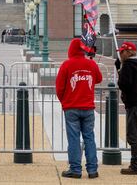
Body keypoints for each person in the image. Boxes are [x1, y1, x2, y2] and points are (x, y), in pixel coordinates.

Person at [55, 38, 103, 179]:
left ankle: (75, 169)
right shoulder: (90, 64)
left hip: (71, 107)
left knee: (74, 139)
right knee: (89, 138)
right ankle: (92, 169)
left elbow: (59, 87)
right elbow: (99, 79)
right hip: (88, 107)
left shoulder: (66, 64)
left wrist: (64, 102)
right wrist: (91, 63)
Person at [115, 41, 137, 175]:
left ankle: (136, 165)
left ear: (128, 52)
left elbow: (124, 84)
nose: (120, 54)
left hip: (134, 104)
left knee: (132, 136)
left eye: (122, 52)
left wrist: (120, 69)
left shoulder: (129, 65)